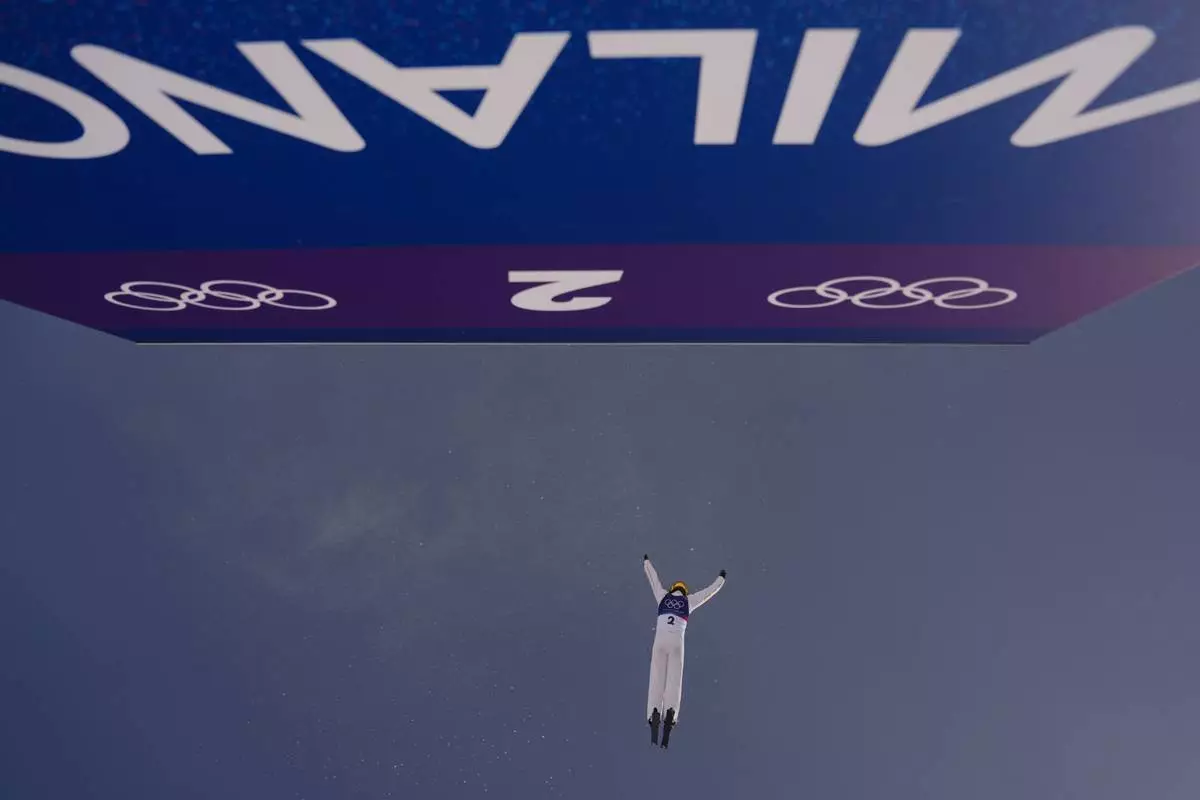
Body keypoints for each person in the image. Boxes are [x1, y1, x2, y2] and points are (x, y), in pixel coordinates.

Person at [642, 554, 726, 748]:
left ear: (672, 589)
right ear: (685, 591)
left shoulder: (663, 596)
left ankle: (654, 711)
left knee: (656, 676)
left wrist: (646, 562)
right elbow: (708, 592)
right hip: (677, 642)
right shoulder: (689, 601)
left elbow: (653, 579)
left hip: (660, 640)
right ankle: (670, 713)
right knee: (674, 679)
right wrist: (721, 579)